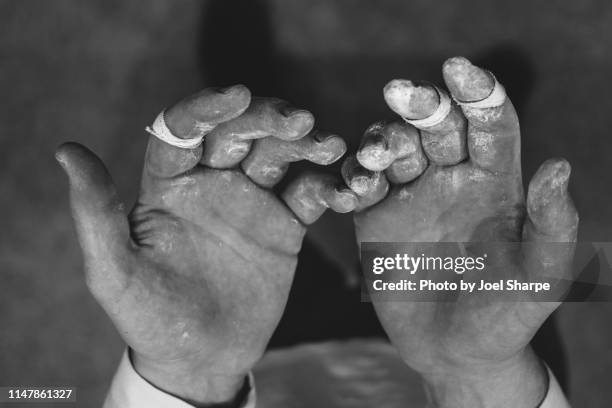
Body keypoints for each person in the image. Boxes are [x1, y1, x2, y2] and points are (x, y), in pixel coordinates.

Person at [57, 57, 577, 407]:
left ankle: (244, 77)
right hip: (461, 346)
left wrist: (191, 373)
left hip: (251, 339)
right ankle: (473, 138)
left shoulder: (221, 328)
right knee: (478, 246)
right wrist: (476, 377)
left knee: (263, 195)